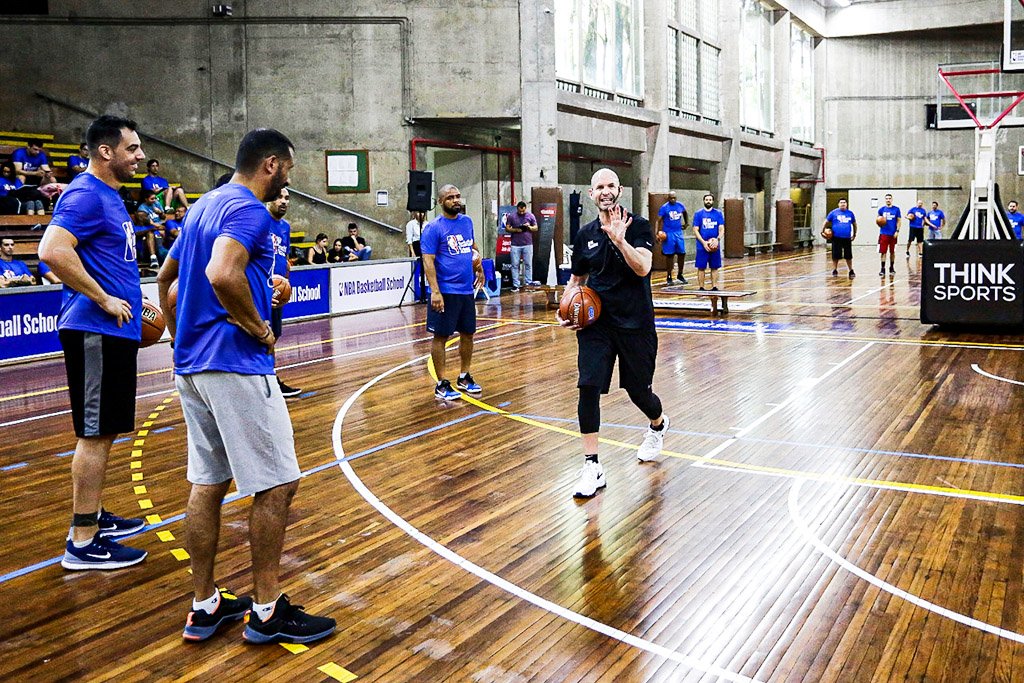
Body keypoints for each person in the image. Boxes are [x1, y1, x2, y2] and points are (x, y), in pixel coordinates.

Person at [156, 128, 335, 645]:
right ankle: (264, 611)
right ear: (272, 164)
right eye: (290, 169)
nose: (289, 178)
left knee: (207, 483)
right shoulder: (249, 209)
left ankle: (205, 604)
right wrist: (259, 327)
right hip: (235, 363)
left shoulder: (202, 206)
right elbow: (221, 272)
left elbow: (166, 279)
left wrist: (178, 333)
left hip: (191, 366)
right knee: (277, 483)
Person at [37, 114, 148, 571]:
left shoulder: (108, 196)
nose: (140, 156)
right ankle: (82, 539)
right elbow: (51, 251)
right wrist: (102, 298)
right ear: (106, 152)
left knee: (105, 431)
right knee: (94, 434)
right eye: (132, 148)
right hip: (95, 330)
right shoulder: (85, 194)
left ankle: (95, 515)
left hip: (113, 331)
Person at [558, 168, 669, 499]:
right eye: (599, 187)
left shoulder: (640, 227)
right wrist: (564, 305)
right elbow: (577, 280)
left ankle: (658, 424)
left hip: (636, 323)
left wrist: (620, 240)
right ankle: (592, 465)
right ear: (591, 194)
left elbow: (643, 267)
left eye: (610, 186)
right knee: (588, 386)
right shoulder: (584, 235)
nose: (605, 191)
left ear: (619, 191)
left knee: (639, 392)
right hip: (598, 324)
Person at [421, 184, 484, 401]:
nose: (456, 200)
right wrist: (435, 292)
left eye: (457, 196)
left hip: (466, 290)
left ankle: (464, 376)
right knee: (441, 336)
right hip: (445, 291)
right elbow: (427, 261)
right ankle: (441, 383)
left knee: (468, 333)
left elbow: (472, 248)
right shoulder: (433, 228)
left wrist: (480, 267)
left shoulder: (467, 222)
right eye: (450, 197)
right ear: (440, 202)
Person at [267, 187, 302, 398]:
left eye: (287, 198)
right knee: (263, 335)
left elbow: (284, 257)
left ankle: (270, 377)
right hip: (261, 289)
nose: (283, 201)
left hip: (278, 290)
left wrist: (286, 283)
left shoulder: (285, 227)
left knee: (275, 334)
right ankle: (268, 380)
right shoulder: (260, 221)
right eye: (279, 196)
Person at [691, 193, 726, 301]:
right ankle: (701, 287)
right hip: (702, 246)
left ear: (713, 201)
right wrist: (703, 242)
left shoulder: (718, 214)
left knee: (714, 267)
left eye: (710, 199)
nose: (708, 201)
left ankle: (714, 286)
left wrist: (717, 239)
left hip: (714, 245)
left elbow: (721, 229)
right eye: (706, 199)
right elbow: (695, 229)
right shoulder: (698, 214)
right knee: (701, 267)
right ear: (704, 201)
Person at [506, 201, 539, 291]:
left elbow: (536, 228)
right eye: (520, 211)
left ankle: (528, 283)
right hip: (515, 244)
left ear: (525, 208)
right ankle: (516, 284)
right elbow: (507, 228)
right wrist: (516, 230)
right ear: (517, 208)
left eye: (523, 211)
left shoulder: (530, 216)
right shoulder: (511, 216)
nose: (521, 213)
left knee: (528, 264)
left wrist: (529, 227)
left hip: (527, 244)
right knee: (515, 265)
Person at [657, 191, 688, 285]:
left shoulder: (680, 205)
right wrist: (656, 233)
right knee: (670, 255)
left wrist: (686, 223)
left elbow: (685, 213)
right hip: (669, 233)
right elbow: (658, 221)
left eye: (674, 198)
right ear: (668, 198)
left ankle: (680, 274)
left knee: (682, 253)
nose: (673, 199)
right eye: (671, 198)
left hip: (678, 232)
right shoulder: (664, 208)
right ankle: (669, 276)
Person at [824, 198, 857, 278]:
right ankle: (835, 269)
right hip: (836, 237)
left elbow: (854, 224)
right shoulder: (833, 213)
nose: (842, 204)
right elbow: (826, 222)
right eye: (841, 202)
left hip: (847, 237)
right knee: (836, 255)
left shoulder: (850, 213)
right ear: (838, 204)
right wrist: (822, 231)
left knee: (848, 255)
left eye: (844, 202)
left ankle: (850, 270)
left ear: (846, 204)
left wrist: (854, 234)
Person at [877, 193, 901, 276]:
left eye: (889, 198)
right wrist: (879, 223)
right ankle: (882, 269)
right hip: (884, 233)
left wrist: (897, 231)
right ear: (885, 199)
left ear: (892, 199)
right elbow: (878, 220)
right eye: (886, 198)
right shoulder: (881, 210)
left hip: (893, 234)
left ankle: (891, 267)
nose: (888, 200)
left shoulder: (896, 209)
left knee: (892, 252)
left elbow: (899, 221)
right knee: (883, 252)